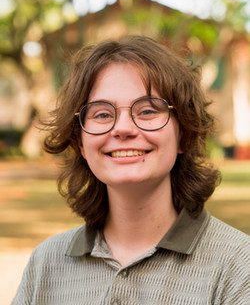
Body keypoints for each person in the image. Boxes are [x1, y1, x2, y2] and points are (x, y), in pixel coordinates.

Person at [12, 35, 249, 305]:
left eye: (148, 111)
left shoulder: (238, 266)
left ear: (184, 134)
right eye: (102, 114)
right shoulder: (46, 264)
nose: (122, 128)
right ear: (80, 142)